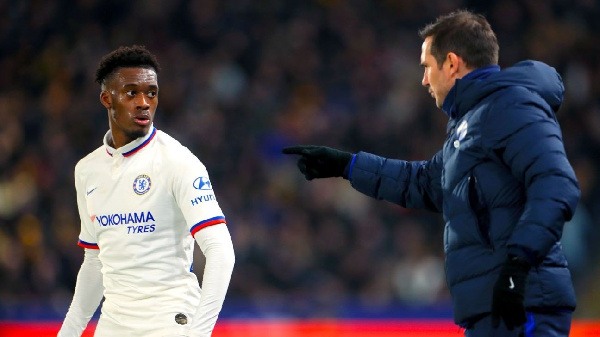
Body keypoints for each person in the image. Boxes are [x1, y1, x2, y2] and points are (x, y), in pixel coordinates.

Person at [283, 10, 579, 337]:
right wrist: (347, 165)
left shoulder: (511, 106)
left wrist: (518, 264)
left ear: (451, 63)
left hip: (523, 302)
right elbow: (424, 182)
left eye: (426, 67)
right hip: (493, 305)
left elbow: (557, 185)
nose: (424, 79)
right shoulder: (473, 122)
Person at [58, 45, 235, 337]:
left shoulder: (178, 162)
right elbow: (95, 262)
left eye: (151, 93)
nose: (144, 102)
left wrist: (200, 332)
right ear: (107, 99)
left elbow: (221, 251)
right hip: (113, 326)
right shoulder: (87, 171)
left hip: (169, 323)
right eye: (131, 93)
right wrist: (68, 332)